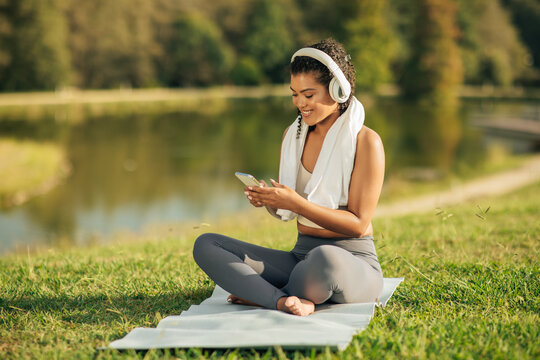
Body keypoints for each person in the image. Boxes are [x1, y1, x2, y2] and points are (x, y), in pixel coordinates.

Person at [193, 38, 385, 316]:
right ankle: (282, 300)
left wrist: (296, 203)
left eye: (308, 95)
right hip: (300, 258)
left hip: (351, 263)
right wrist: (270, 200)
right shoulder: (293, 135)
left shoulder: (367, 142)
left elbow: (357, 224)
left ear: (338, 90)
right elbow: (289, 209)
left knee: (325, 259)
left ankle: (263, 293)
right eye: (294, 94)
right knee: (207, 244)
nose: (300, 104)